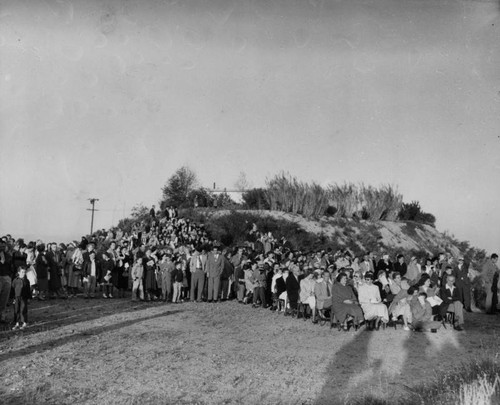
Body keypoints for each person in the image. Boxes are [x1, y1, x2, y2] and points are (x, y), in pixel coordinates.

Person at [0, 239, 13, 323]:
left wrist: (9, 276)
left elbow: (11, 267)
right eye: (1, 245)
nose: (2, 247)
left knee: (4, 299)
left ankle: (2, 316)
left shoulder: (8, 256)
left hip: (6, 278)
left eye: (3, 246)